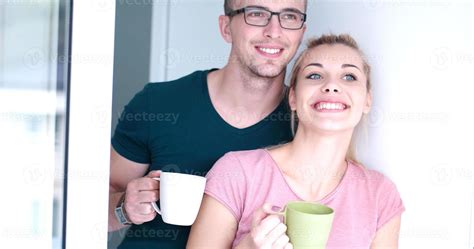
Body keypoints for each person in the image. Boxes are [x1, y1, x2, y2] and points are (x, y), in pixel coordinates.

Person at [108, 0, 308, 248]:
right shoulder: (157, 103)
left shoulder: (305, 125)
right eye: (256, 14)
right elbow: (90, 204)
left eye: (289, 17)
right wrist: (123, 208)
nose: (274, 31)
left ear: (301, 32)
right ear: (226, 27)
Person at [187, 34, 405, 249]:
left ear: (367, 100)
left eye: (349, 77)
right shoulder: (236, 172)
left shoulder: (380, 195)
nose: (331, 86)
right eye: (315, 75)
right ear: (293, 97)